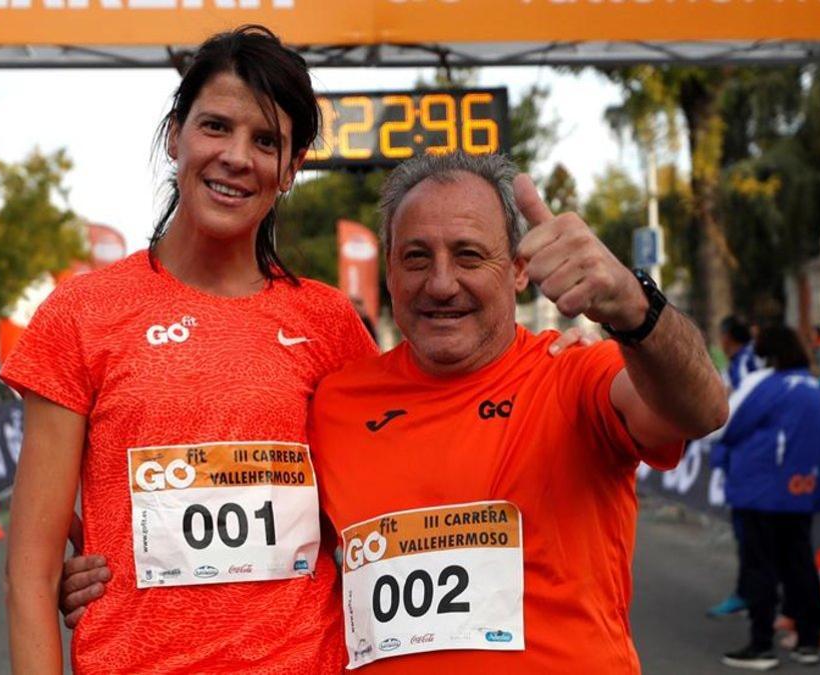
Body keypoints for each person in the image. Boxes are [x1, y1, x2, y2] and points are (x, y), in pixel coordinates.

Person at [0, 26, 380, 674]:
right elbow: (30, 580)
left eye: (266, 141)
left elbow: (387, 506)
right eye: (216, 127)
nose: (237, 156)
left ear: (292, 167)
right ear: (175, 135)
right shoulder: (81, 314)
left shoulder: (329, 322)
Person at [306, 152, 727, 671]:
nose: (441, 283)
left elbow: (702, 409)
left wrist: (634, 307)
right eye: (416, 257)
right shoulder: (334, 403)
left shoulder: (572, 375)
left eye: (468, 256)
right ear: (389, 270)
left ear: (518, 269)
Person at [711, 325, 820, 670]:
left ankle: (761, 645)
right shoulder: (812, 385)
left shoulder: (770, 384)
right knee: (800, 562)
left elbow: (728, 423)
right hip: (800, 491)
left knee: (760, 568)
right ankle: (808, 640)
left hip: (761, 489)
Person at [708, 314, 762, 619]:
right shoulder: (745, 361)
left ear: (729, 336)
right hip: (750, 461)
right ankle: (752, 595)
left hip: (749, 462)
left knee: (753, 537)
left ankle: (752, 599)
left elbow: (732, 411)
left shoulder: (744, 365)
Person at [720, 315, 760, 391]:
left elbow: (743, 393)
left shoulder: (742, 362)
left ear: (727, 337)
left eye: (721, 335)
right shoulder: (750, 353)